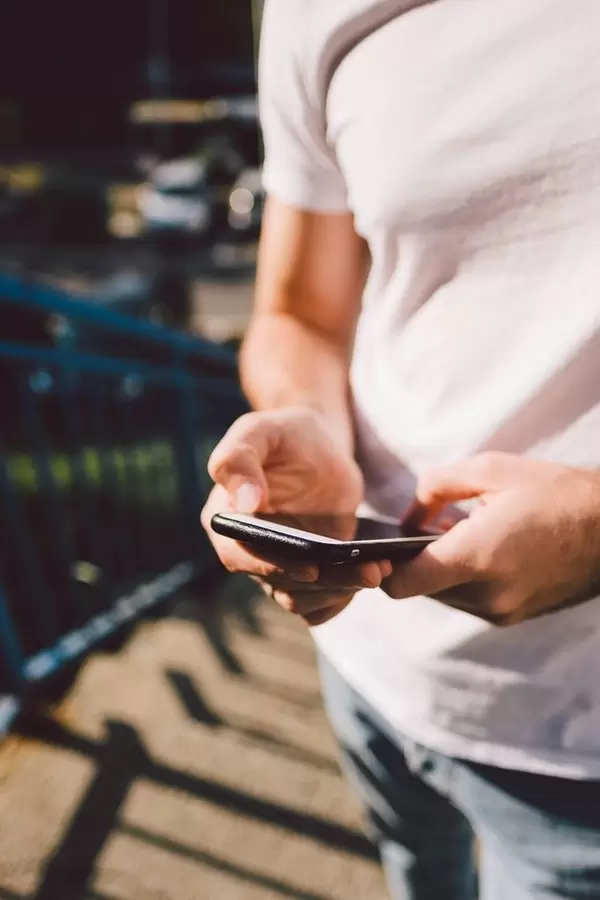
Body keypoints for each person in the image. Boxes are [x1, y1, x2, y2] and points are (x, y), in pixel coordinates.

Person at [202, 1, 600, 897]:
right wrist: (309, 425)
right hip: (365, 656)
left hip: (579, 755)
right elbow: (299, 310)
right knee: (416, 872)